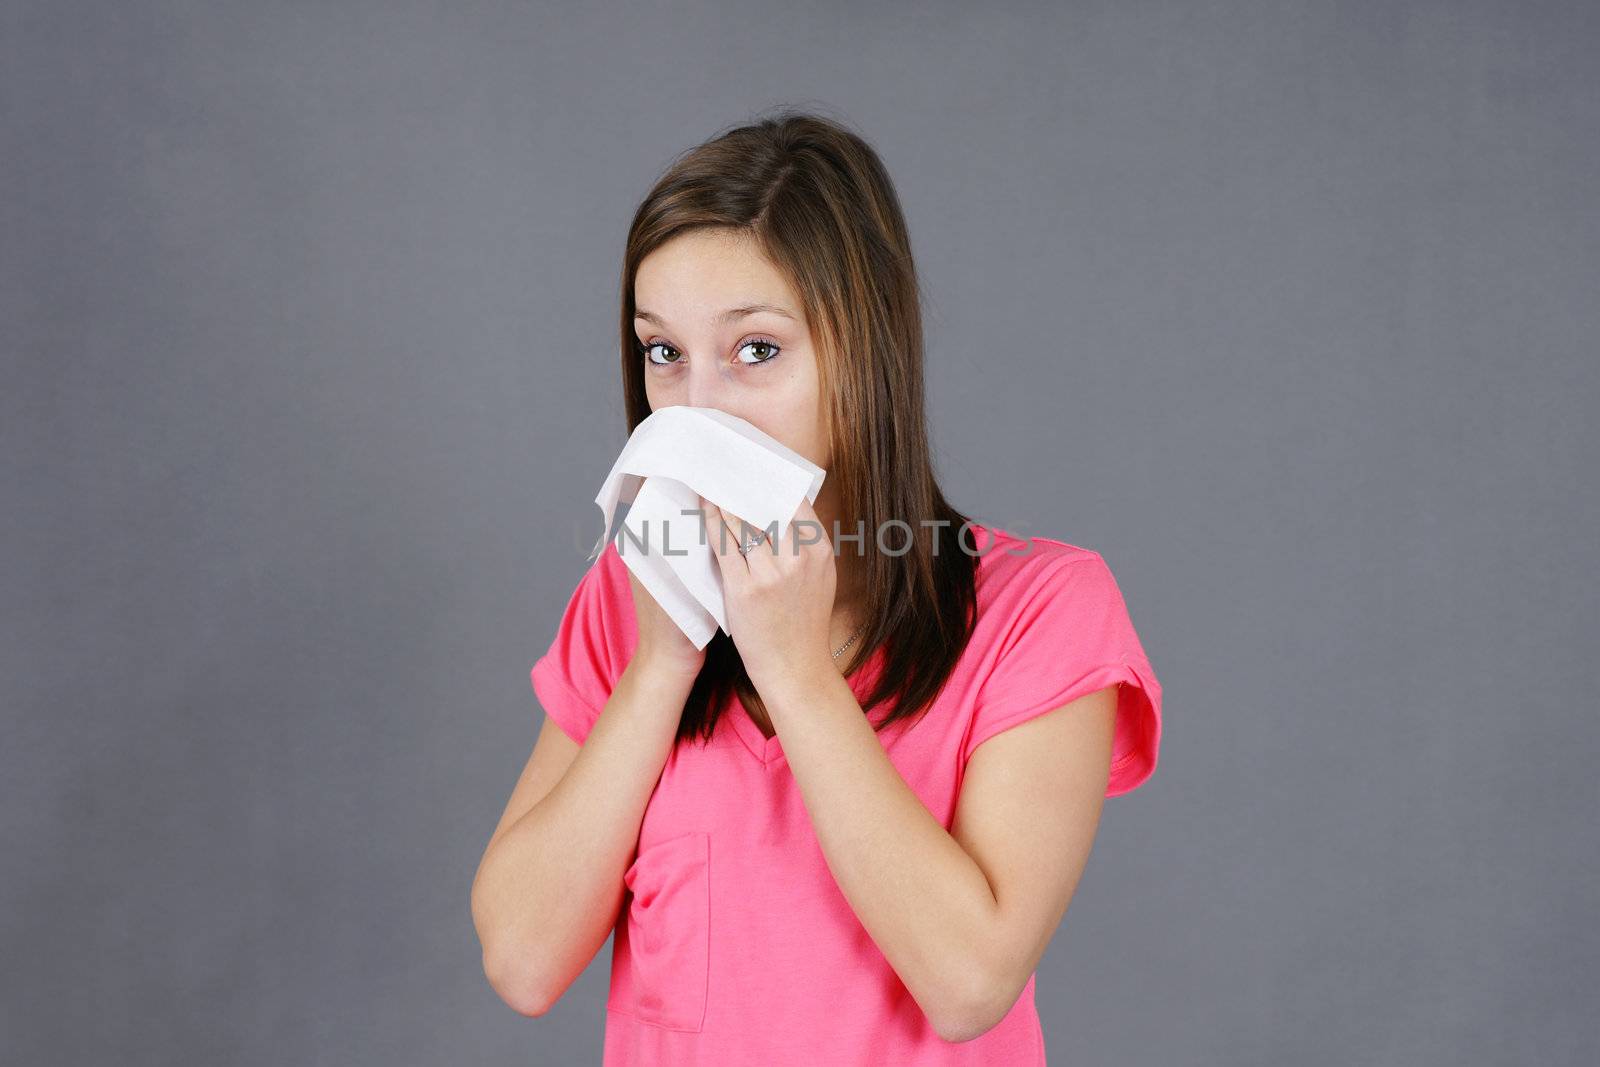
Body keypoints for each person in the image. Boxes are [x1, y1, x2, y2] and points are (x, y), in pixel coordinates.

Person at [470, 108, 1163, 1066]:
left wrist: (793, 669)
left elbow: (969, 983)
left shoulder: (1042, 612)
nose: (698, 407)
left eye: (756, 350)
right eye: (663, 352)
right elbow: (522, 958)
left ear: (863, 350)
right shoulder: (623, 604)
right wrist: (662, 663)